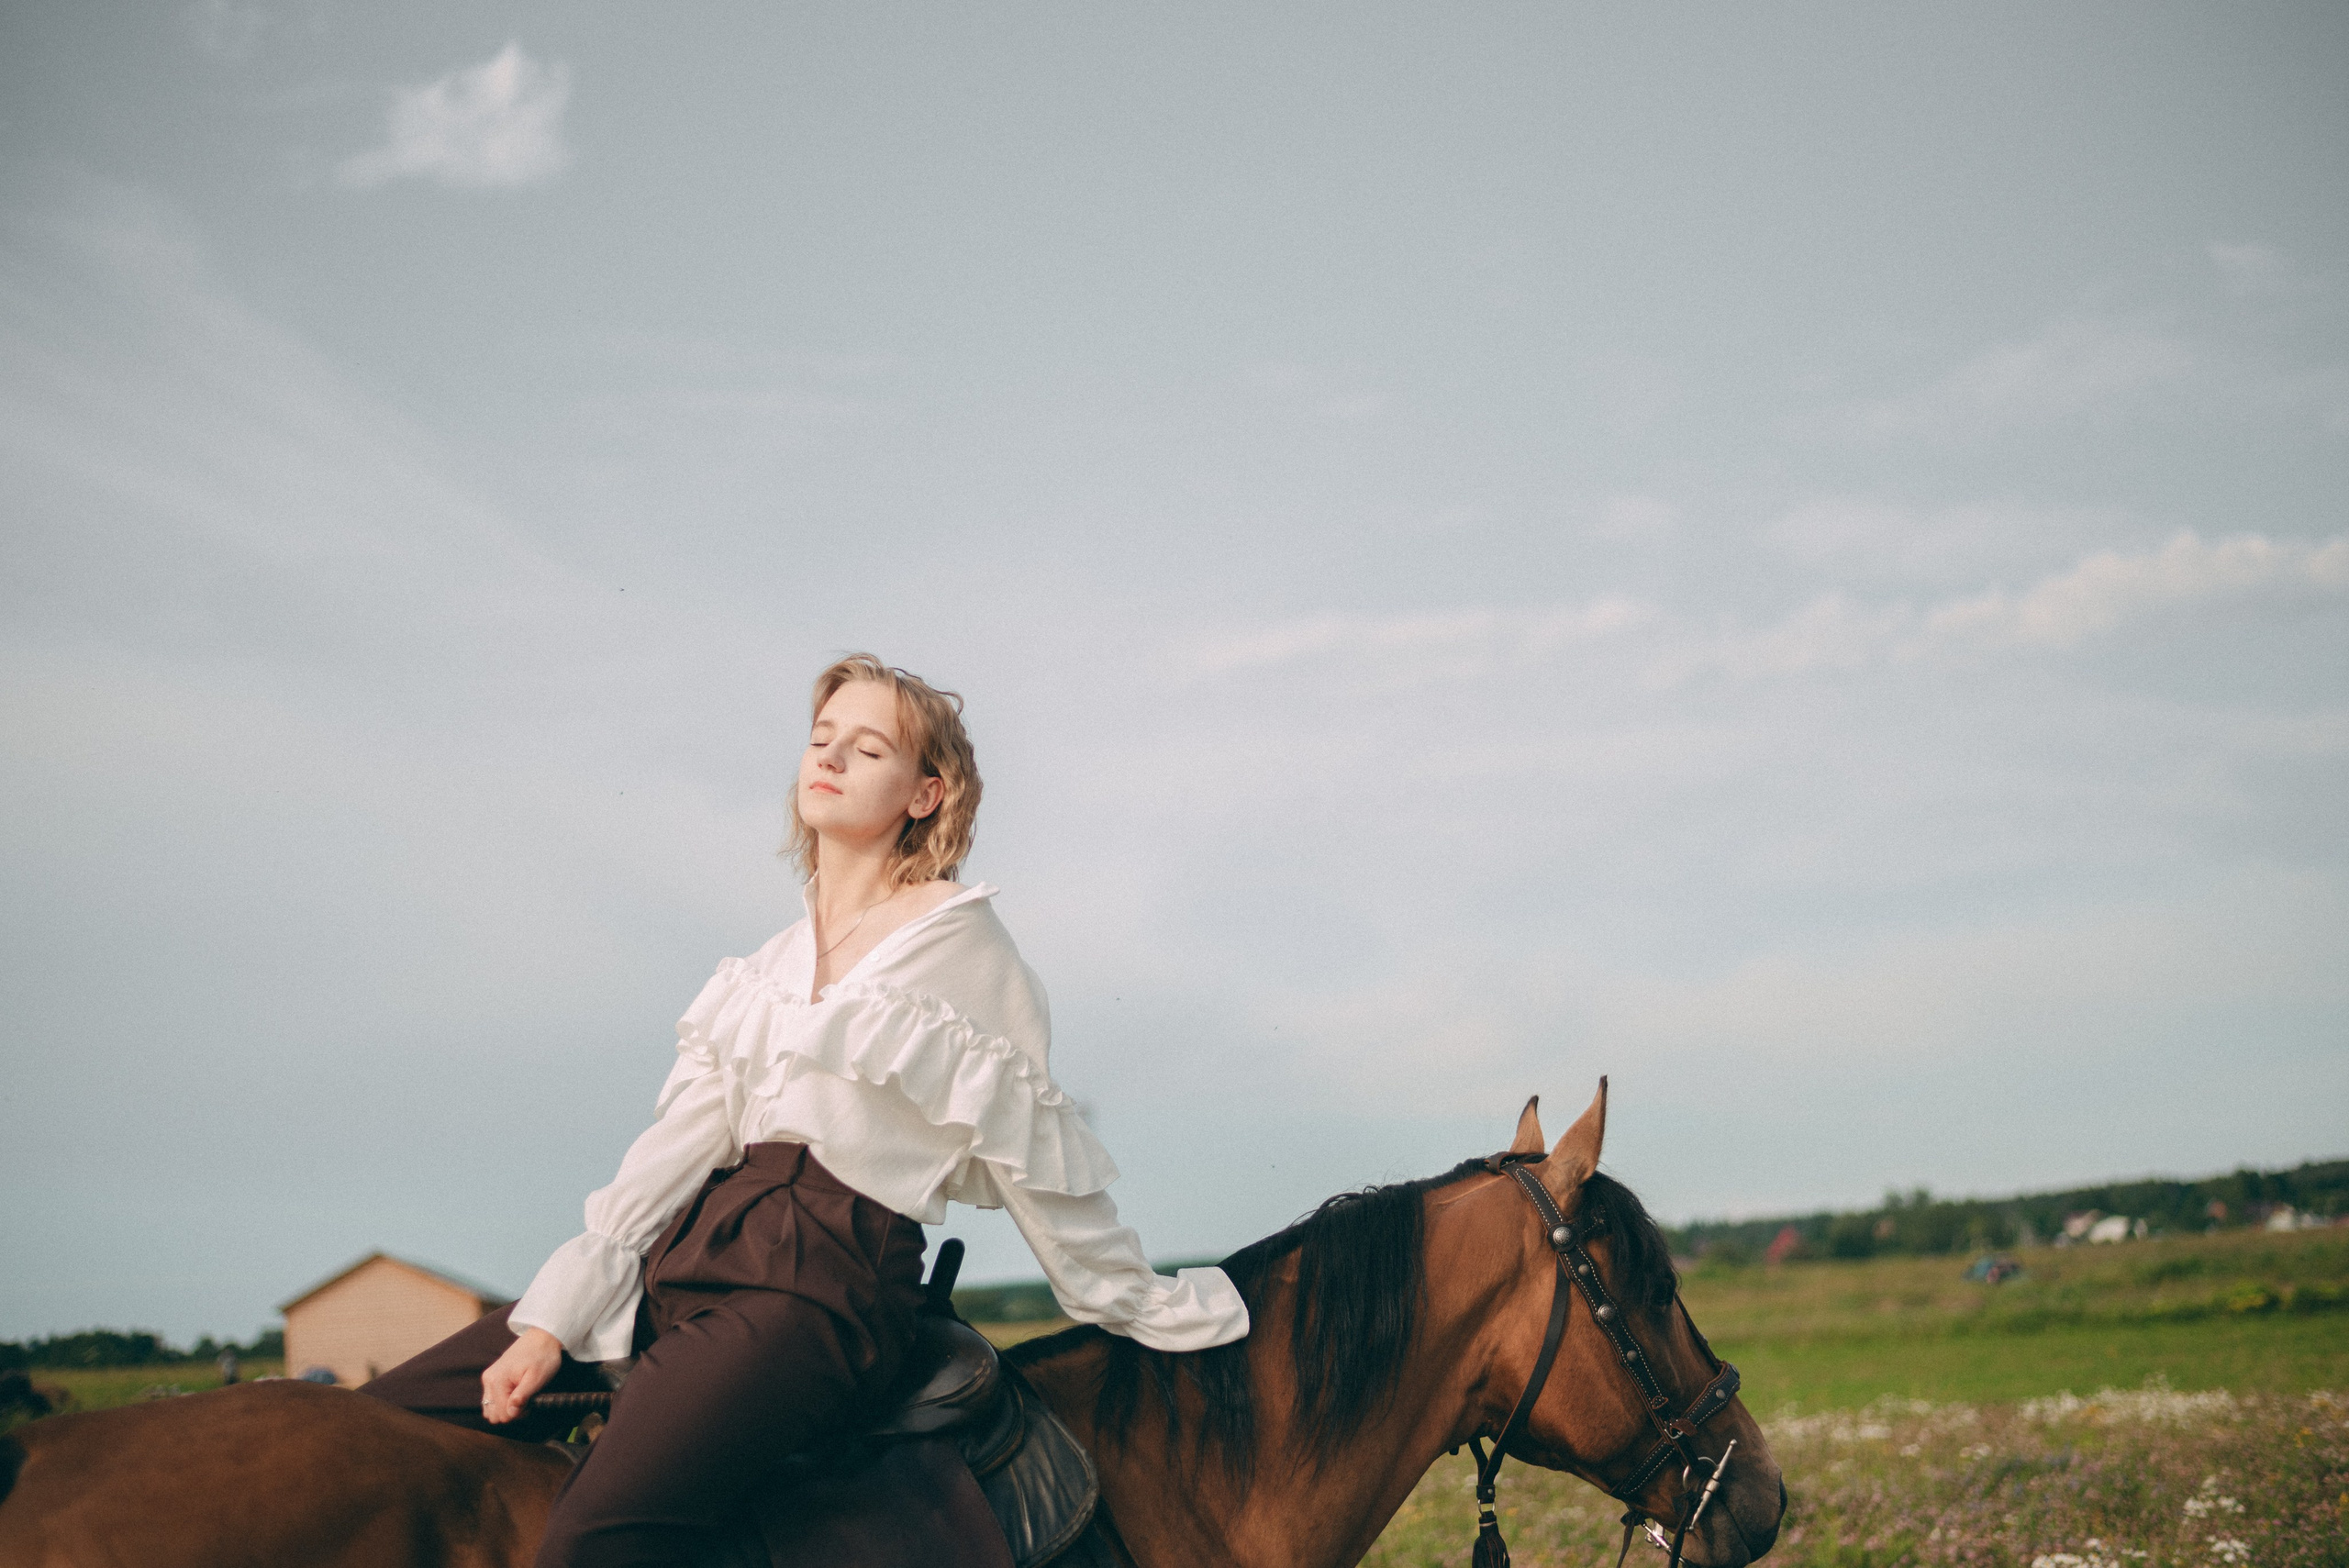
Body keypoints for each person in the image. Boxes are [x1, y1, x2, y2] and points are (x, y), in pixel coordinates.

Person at [363, 654, 1248, 1568]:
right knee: (367, 1422)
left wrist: (1130, 1295)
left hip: (823, 1281)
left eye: (867, 748)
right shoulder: (766, 966)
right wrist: (554, 1316)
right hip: (688, 1251)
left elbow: (1032, 1152)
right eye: (820, 738)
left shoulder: (958, 937)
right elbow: (679, 1145)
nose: (829, 757)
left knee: (595, 1536)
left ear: (925, 792)